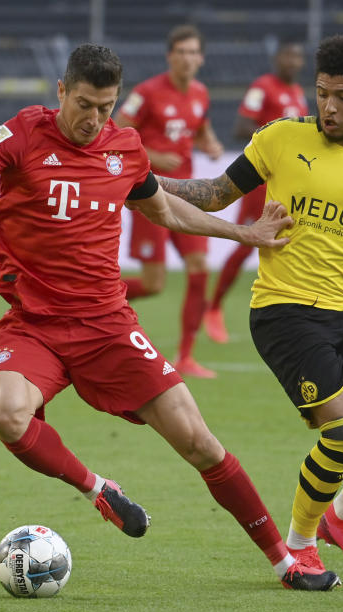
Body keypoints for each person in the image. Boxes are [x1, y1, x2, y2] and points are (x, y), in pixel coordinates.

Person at [0, 43, 339, 591]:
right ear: (61, 92)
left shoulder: (125, 148)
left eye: (105, 107)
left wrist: (243, 232)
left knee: (200, 444)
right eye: (84, 104)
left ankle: (286, 562)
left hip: (109, 326)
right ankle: (99, 489)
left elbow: (163, 208)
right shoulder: (22, 133)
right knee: (7, 414)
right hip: (34, 324)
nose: (93, 120)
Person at [158, 35, 343, 581]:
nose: (329, 107)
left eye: (342, 97)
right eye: (322, 94)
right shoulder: (282, 138)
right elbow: (215, 193)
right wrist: (144, 181)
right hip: (283, 310)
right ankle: (301, 543)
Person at [114, 25, 224, 378]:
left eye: (194, 52)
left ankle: (187, 357)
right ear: (170, 56)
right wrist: (154, 155)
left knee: (199, 270)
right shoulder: (147, 93)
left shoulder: (201, 93)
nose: (188, 59)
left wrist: (210, 143)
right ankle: (89, 294)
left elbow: (201, 126)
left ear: (202, 58)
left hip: (187, 193)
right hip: (150, 192)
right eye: (182, 52)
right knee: (153, 284)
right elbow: (116, 130)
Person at [203, 40, 309, 344]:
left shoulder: (299, 94)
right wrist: (275, 140)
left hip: (288, 181)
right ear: (278, 58)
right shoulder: (263, 87)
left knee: (291, 241)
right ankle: (213, 309)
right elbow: (241, 126)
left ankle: (294, 313)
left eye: (298, 56)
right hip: (260, 180)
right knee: (247, 241)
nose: (293, 61)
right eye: (288, 54)